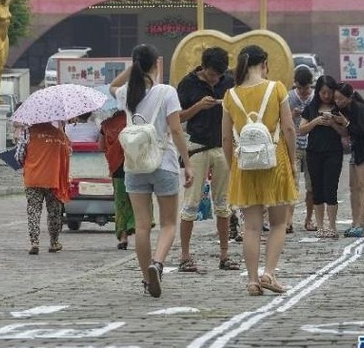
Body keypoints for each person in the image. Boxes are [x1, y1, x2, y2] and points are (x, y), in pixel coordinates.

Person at [110, 44, 193, 298]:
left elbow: (112, 85)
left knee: (142, 226)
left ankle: (147, 280)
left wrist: (132, 68)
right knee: (168, 223)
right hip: (164, 162)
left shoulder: (126, 93)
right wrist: (187, 163)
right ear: (156, 64)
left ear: (134, 65)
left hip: (135, 165)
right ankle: (157, 263)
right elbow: (176, 130)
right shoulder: (167, 92)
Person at [221, 45, 298, 296]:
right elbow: (289, 129)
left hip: (244, 164)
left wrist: (232, 167)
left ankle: (253, 280)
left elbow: (225, 138)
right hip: (275, 160)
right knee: (278, 223)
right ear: (264, 64)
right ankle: (269, 273)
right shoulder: (276, 88)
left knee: (251, 227)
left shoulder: (230, 95)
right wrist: (293, 162)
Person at [176, 47, 238, 273]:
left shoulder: (228, 82)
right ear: (203, 68)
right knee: (191, 203)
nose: (215, 79)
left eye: (219, 75)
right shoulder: (187, 84)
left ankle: (224, 255)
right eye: (212, 74)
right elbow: (178, 117)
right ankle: (185, 256)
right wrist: (198, 106)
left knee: (224, 204)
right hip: (197, 148)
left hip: (222, 147)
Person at [299, 76, 348, 239]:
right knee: (317, 190)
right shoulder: (311, 108)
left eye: (329, 92)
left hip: (333, 152)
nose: (326, 96)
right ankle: (320, 226)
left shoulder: (338, 109)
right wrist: (316, 121)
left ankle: (332, 226)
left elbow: (345, 132)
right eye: (323, 92)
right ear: (318, 92)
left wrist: (333, 123)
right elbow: (301, 130)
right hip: (314, 153)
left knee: (331, 189)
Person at [334, 83, 364, 237]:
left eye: (340, 98)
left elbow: (363, 131)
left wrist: (345, 123)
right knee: (353, 187)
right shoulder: (345, 109)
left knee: (363, 186)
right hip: (355, 150)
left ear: (349, 97)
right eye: (335, 98)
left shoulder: (359, 108)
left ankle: (361, 223)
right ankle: (355, 222)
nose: (337, 101)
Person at [22, 121, 72, 255]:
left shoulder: (27, 133)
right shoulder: (60, 135)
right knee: (54, 212)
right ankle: (54, 242)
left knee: (33, 211)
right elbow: (68, 153)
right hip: (53, 178)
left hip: (33, 178)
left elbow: (19, 156)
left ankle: (34, 242)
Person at [99, 110, 142, 250]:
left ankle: (123, 236)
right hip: (134, 165)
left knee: (120, 202)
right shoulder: (132, 121)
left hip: (116, 168)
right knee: (137, 199)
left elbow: (101, 147)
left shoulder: (105, 125)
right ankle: (138, 229)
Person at [288, 66, 316, 232]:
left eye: (306, 88)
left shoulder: (316, 97)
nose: (303, 92)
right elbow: (280, 121)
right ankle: (288, 220)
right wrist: (291, 115)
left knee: (311, 186)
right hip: (294, 146)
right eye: (299, 88)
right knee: (293, 184)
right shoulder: (289, 97)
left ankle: (309, 219)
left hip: (312, 146)